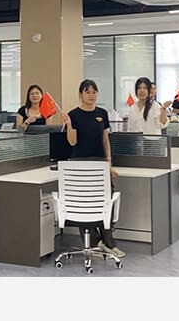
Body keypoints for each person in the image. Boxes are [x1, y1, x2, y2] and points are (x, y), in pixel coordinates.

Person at [61, 79, 126, 258]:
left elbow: (105, 139)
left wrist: (109, 163)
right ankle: (95, 242)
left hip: (100, 163)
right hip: (80, 164)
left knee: (106, 202)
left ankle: (109, 242)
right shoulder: (73, 114)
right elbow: (72, 142)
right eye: (87, 92)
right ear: (81, 94)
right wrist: (69, 124)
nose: (91, 95)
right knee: (84, 203)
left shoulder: (102, 113)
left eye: (94, 92)